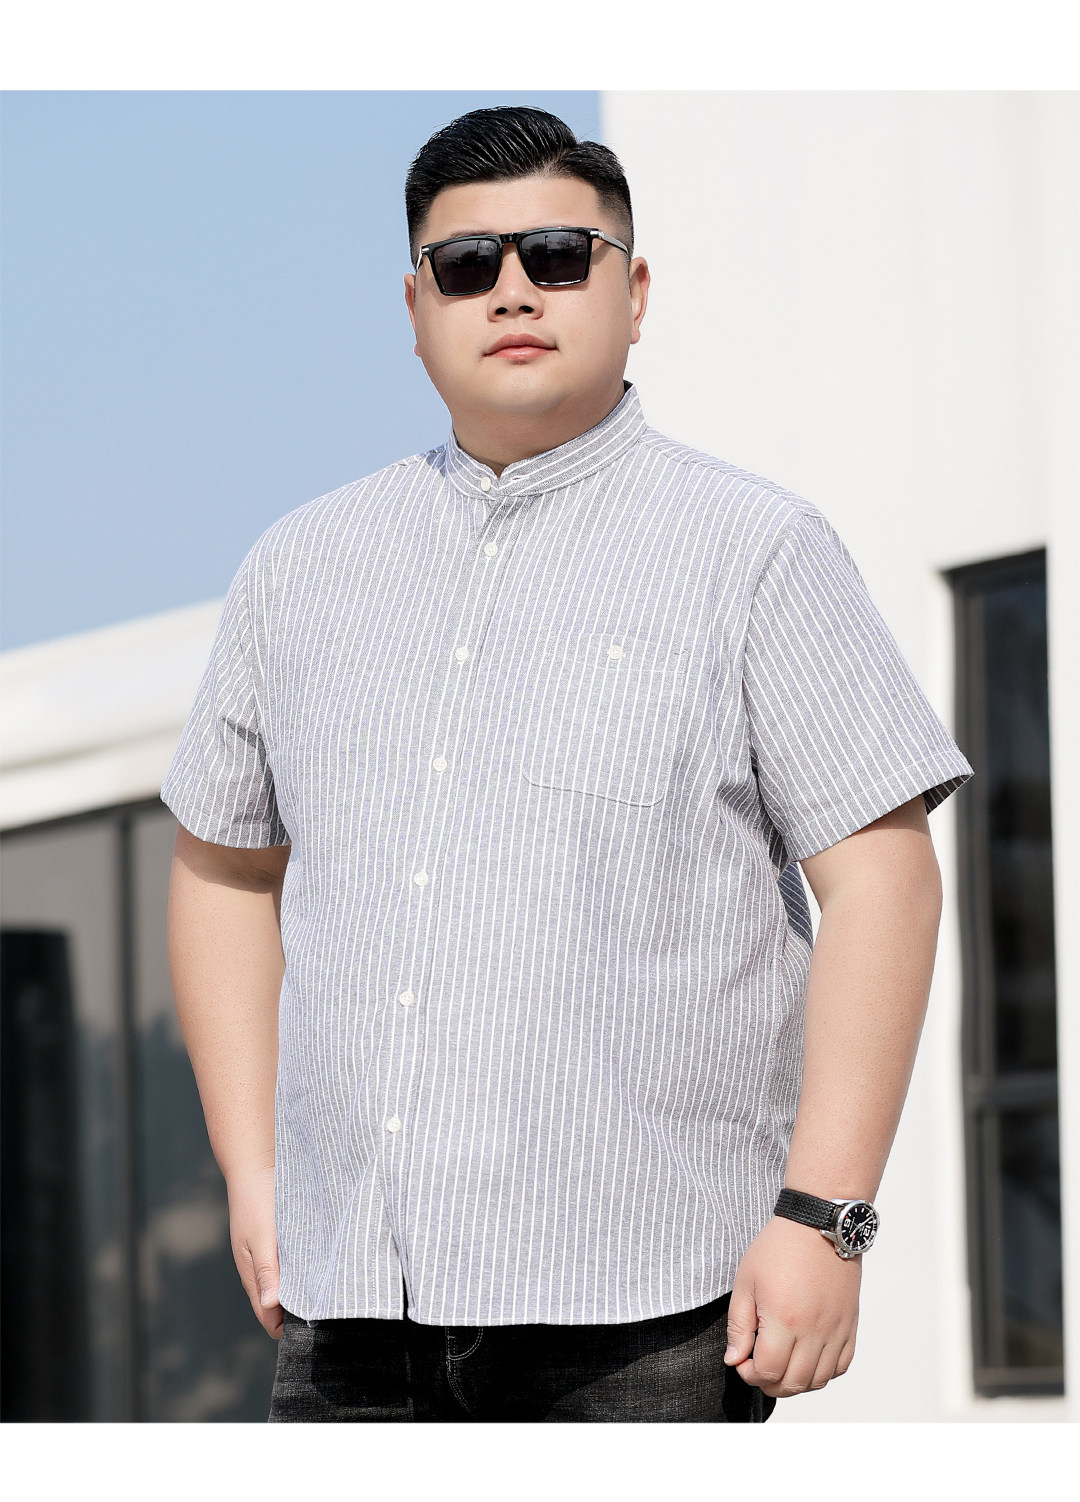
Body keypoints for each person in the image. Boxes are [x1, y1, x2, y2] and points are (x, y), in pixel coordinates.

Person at [163, 105, 972, 1423]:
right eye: (466, 265)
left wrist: (827, 1216)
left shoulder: (755, 551)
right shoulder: (296, 571)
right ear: (415, 308)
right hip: (352, 1309)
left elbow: (883, 878)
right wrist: (253, 1172)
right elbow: (223, 870)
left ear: (634, 292)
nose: (513, 290)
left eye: (557, 254)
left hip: (647, 1318)